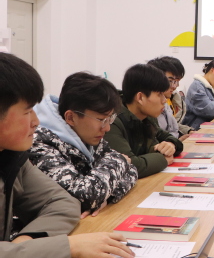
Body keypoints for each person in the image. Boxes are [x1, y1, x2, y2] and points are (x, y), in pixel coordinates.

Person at [0, 53, 134, 258]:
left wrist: (23, 245)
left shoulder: (13, 158)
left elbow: (65, 203)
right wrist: (67, 246)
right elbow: (84, 196)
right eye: (27, 112)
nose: (36, 122)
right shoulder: (37, 145)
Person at [29, 72, 138, 217]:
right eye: (101, 120)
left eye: (109, 119)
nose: (107, 128)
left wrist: (107, 196)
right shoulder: (39, 144)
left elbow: (132, 171)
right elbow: (85, 196)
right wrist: (121, 160)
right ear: (71, 117)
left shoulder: (87, 135)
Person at [104, 63, 184, 178]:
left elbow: (167, 137)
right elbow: (128, 165)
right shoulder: (111, 121)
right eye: (159, 94)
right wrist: (162, 159)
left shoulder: (147, 117)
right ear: (140, 97)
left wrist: (171, 145)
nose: (164, 100)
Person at [147, 56, 193, 138]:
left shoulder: (168, 99)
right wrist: (175, 142)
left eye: (176, 81)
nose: (175, 86)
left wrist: (188, 131)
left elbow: (172, 126)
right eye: (170, 81)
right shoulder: (150, 105)